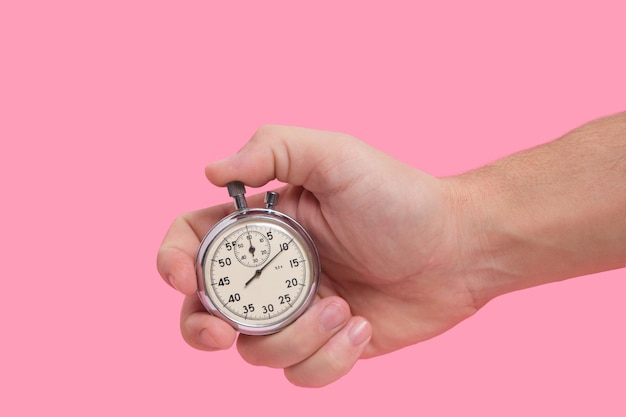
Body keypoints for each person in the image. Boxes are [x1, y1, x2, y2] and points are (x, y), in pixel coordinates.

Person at [157, 112, 626, 388]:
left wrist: (460, 239)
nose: (256, 273)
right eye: (241, 272)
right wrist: (457, 240)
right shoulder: (278, 244)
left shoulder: (292, 241)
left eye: (266, 265)